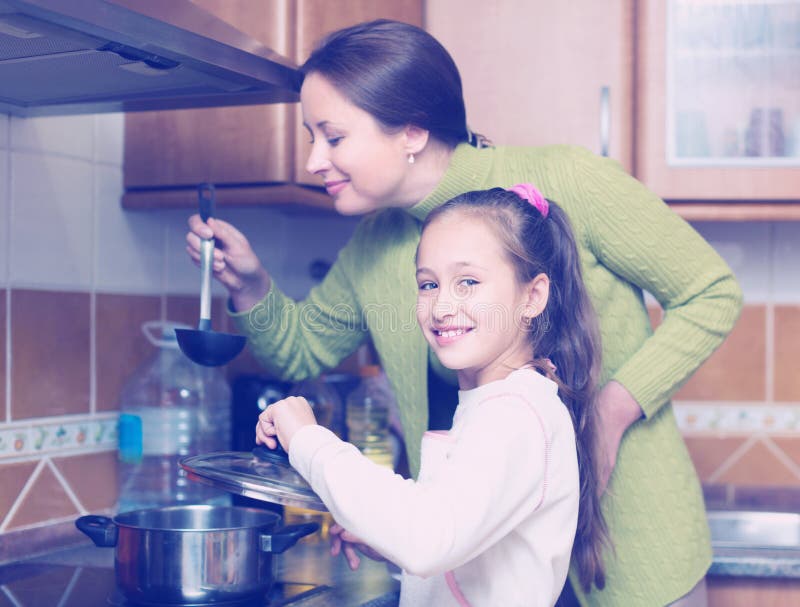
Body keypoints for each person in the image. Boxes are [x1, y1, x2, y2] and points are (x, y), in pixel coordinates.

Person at [186, 19, 742, 607]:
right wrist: (251, 285)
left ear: (411, 132)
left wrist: (610, 411)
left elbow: (711, 291)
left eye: (333, 136)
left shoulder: (568, 181)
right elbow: (297, 351)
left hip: (630, 545)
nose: (313, 161)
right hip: (469, 566)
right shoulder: (375, 243)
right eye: (309, 138)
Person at [256, 184, 608, 607]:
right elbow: (461, 537)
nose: (441, 306)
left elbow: (429, 537)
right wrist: (390, 540)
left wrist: (308, 441)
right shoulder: (499, 402)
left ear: (532, 297)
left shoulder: (515, 414)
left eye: (468, 282)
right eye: (428, 284)